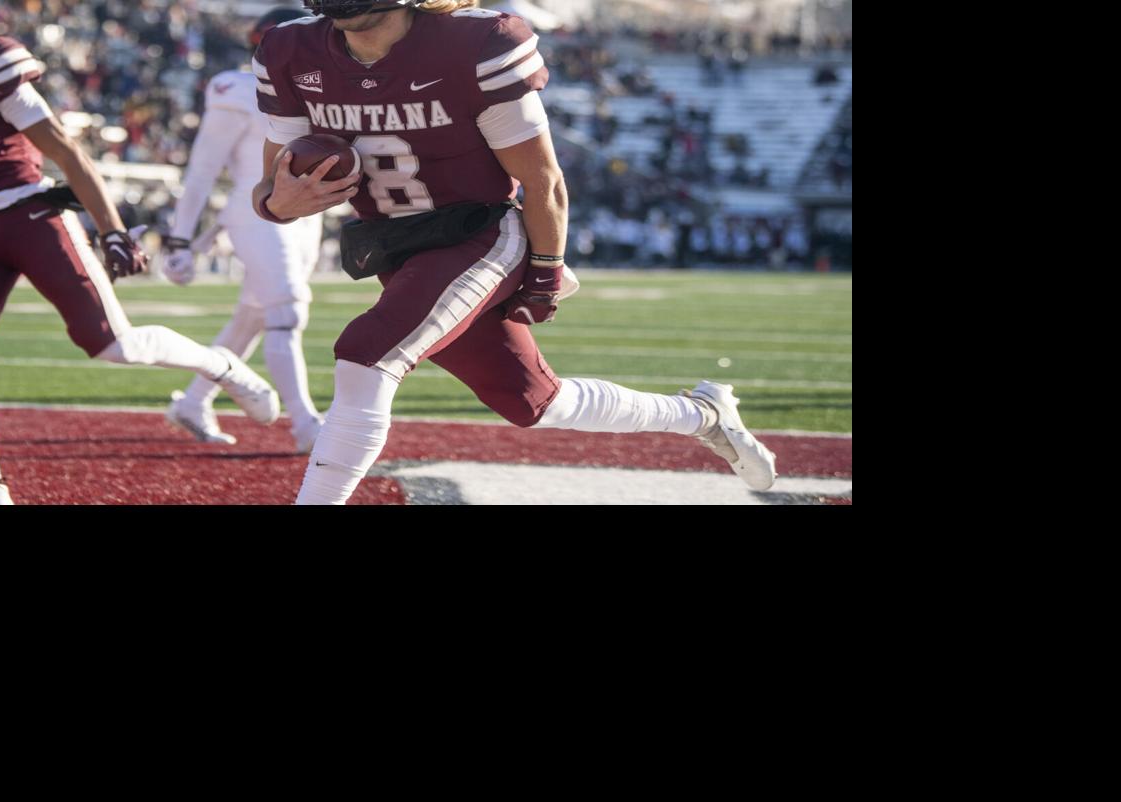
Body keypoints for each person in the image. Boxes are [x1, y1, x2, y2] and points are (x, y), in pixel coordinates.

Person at [252, 0, 777, 505]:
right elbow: (269, 189)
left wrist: (545, 272)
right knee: (532, 400)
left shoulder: (475, 43)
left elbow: (541, 180)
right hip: (397, 249)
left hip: (478, 233)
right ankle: (701, 414)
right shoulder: (291, 51)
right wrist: (280, 203)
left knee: (367, 352)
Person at [0, 0, 281, 505]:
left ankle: (220, 366)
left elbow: (65, 149)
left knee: (115, 346)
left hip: (29, 216)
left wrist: (112, 230)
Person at [160, 7, 326, 454]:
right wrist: (180, 236)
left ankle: (193, 402)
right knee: (286, 311)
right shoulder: (237, 87)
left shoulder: (324, 85)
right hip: (256, 212)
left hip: (308, 215)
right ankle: (306, 425)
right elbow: (203, 168)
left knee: (251, 318)